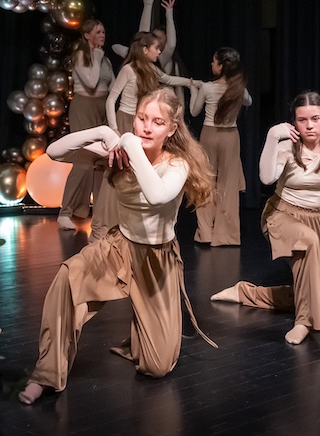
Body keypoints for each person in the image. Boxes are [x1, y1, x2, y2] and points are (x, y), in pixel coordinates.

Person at [18, 87, 218, 405]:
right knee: (67, 278)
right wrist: (102, 133)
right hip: (118, 247)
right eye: (141, 118)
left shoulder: (177, 164)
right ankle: (46, 373)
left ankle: (141, 336)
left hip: (156, 260)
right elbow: (54, 152)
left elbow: (156, 195)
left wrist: (129, 144)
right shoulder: (121, 150)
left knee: (157, 367)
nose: (146, 128)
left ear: (171, 129)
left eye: (157, 122)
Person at [210, 90, 320, 345]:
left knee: (315, 296)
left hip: (313, 219)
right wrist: (273, 136)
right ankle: (304, 322)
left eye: (315, 119)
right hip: (280, 214)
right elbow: (266, 178)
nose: (309, 126)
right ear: (294, 122)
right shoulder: (287, 147)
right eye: (302, 120)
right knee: (308, 242)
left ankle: (245, 293)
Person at [89, 31, 200, 242]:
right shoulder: (128, 70)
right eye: (156, 48)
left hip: (142, 122)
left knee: (136, 173)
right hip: (126, 120)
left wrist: (191, 82)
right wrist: (114, 129)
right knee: (118, 170)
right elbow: (111, 99)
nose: (159, 52)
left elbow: (168, 79)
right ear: (145, 49)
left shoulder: (151, 69)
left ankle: (128, 222)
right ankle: (104, 226)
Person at [189, 47, 252, 246]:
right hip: (230, 137)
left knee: (206, 182)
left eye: (214, 61)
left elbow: (194, 111)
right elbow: (249, 102)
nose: (211, 64)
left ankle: (205, 233)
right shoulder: (238, 88)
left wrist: (193, 90)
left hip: (209, 135)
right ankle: (227, 235)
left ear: (221, 66)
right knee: (228, 184)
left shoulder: (207, 88)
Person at [56, 18, 115, 230]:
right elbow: (91, 83)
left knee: (101, 162)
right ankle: (66, 212)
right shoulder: (81, 56)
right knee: (83, 161)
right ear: (87, 35)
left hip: (102, 107)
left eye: (103, 31)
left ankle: (100, 212)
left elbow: (113, 86)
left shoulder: (105, 60)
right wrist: (96, 57)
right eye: (98, 32)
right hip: (84, 107)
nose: (102, 35)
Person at [112, 0, 188, 105]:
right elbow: (138, 39)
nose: (155, 40)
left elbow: (171, 45)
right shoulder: (139, 59)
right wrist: (148, 3)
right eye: (154, 37)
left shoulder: (161, 60)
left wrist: (169, 13)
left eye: (159, 38)